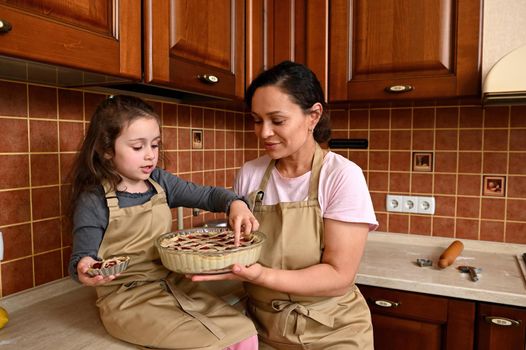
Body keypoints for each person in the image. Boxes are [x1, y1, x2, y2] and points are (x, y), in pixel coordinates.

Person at [192, 61, 379, 349]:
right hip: (265, 329)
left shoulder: (341, 176)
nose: (264, 132)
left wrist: (260, 275)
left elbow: (339, 277)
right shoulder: (250, 173)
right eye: (257, 120)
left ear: (313, 116)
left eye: (277, 121)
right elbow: (243, 246)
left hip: (332, 332)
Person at [68, 95, 259, 350]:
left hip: (174, 284)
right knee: (206, 340)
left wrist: (235, 203)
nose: (150, 156)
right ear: (106, 150)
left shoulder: (160, 182)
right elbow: (82, 258)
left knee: (243, 329)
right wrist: (85, 268)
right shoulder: (94, 199)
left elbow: (209, 195)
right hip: (126, 298)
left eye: (155, 145)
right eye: (138, 147)